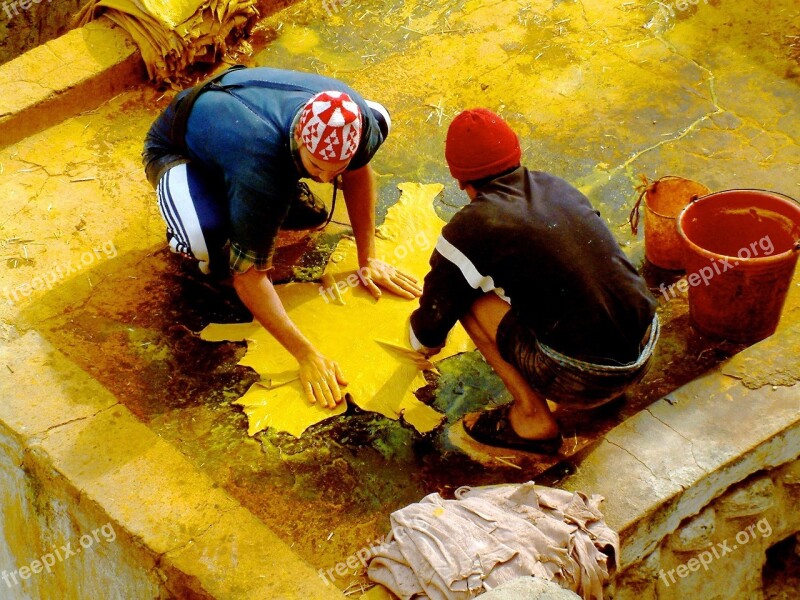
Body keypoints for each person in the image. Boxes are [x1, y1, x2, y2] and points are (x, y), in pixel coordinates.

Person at [142, 66, 422, 410]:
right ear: (300, 140)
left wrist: (369, 259)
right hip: (179, 147)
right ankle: (205, 210)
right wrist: (306, 354)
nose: (325, 178)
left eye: (335, 171)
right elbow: (248, 278)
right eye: (316, 167)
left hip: (244, 126)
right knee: (206, 241)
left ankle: (264, 195)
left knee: (374, 123)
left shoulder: (357, 119)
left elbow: (358, 170)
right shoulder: (260, 163)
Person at [409, 109, 659, 454]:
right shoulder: (558, 187)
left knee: (467, 297)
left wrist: (420, 345)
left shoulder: (470, 228)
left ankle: (531, 417)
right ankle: (607, 388)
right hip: (644, 347)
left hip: (586, 380)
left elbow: (431, 326)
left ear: (458, 179)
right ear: (517, 154)